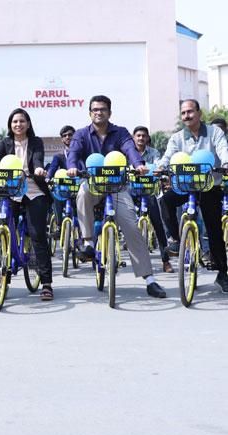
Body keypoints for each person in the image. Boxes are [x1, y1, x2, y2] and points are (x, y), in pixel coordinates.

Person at [67, 95, 166, 298]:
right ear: (90, 113)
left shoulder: (120, 132)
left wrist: (138, 164)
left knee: (132, 227)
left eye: (102, 109)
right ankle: (88, 242)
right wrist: (71, 168)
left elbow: (130, 148)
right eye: (95, 109)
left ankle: (149, 279)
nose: (98, 112)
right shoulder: (81, 134)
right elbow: (73, 155)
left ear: (109, 112)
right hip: (94, 185)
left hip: (118, 187)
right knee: (83, 191)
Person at [156, 99, 228, 293]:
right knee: (165, 200)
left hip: (209, 185)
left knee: (214, 230)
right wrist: (161, 167)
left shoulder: (215, 132)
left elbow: (223, 149)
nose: (186, 116)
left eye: (190, 112)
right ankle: (175, 239)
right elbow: (168, 155)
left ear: (199, 114)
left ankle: (223, 274)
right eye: (183, 113)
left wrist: (226, 163)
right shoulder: (177, 137)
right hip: (185, 185)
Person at [0, 108, 55, 300]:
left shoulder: (36, 142)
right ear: (10, 125)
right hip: (11, 191)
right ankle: (6, 263)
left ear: (28, 123)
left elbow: (37, 159)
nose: (18, 124)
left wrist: (40, 168)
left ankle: (47, 283)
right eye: (15, 121)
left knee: (37, 235)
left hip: (33, 189)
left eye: (22, 121)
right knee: (5, 228)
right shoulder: (5, 142)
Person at [131, 126, 172, 273]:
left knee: (158, 224)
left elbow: (158, 165)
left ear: (147, 138)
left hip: (149, 191)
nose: (141, 138)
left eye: (144, 136)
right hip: (132, 192)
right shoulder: (128, 152)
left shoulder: (154, 152)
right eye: (138, 136)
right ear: (133, 137)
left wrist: (161, 173)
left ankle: (166, 261)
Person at [47, 125, 76, 237]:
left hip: (78, 186)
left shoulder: (81, 152)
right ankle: (59, 225)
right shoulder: (59, 155)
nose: (68, 137)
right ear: (62, 139)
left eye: (70, 134)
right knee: (55, 197)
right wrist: (47, 178)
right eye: (65, 135)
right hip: (64, 187)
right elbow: (52, 168)